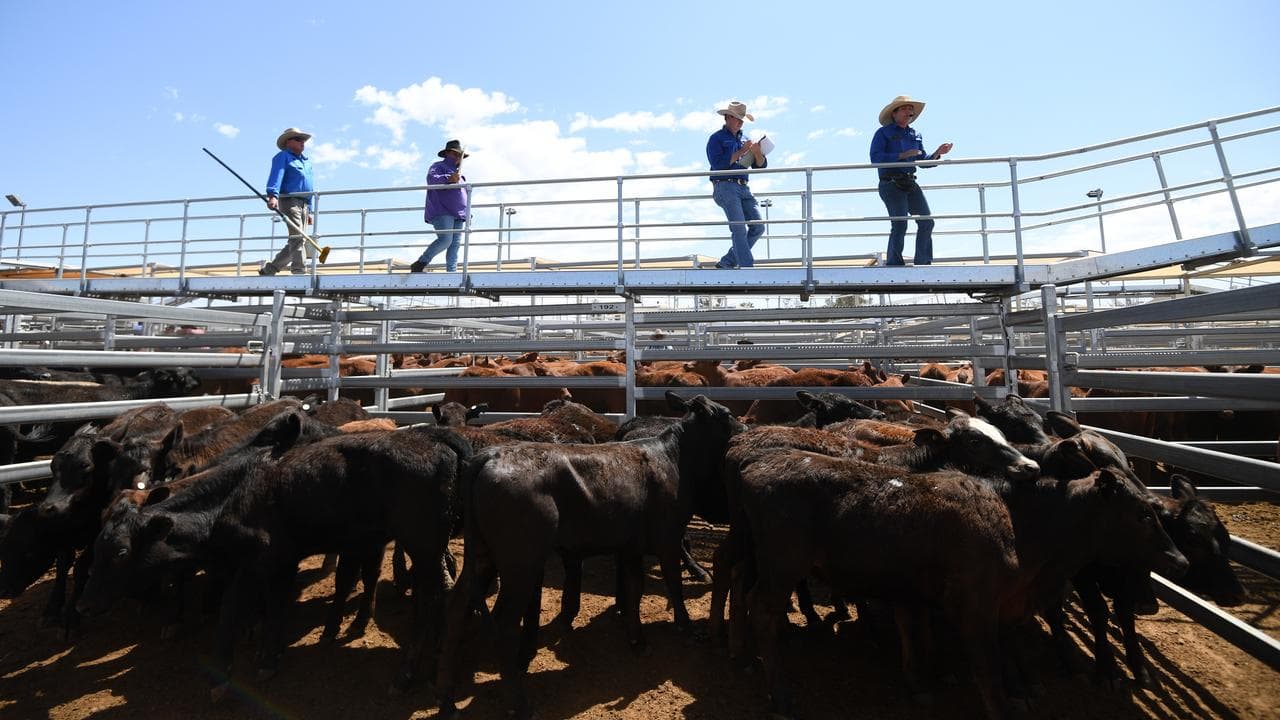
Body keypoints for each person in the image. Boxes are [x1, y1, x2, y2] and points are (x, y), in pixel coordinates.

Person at [869, 95, 953, 266]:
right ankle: (894, 263)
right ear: (894, 113)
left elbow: (923, 161)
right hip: (891, 183)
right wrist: (901, 156)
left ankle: (923, 262)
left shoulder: (915, 134)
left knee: (927, 222)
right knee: (900, 224)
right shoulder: (883, 133)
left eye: (911, 109)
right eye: (905, 108)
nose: (910, 111)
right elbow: (875, 158)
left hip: (910, 182)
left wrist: (937, 153)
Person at [706, 101, 767, 269]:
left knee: (758, 227)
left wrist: (756, 152)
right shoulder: (716, 138)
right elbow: (718, 164)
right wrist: (742, 151)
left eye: (742, 119)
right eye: (738, 118)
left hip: (743, 186)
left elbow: (760, 165)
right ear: (727, 118)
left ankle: (727, 262)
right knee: (739, 229)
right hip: (725, 186)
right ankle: (747, 268)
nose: (740, 122)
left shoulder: (746, 139)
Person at [261, 127, 316, 275]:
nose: (302, 142)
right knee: (298, 237)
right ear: (288, 142)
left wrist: (310, 208)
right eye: (298, 139)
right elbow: (276, 176)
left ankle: (270, 269)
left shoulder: (306, 162)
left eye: (303, 140)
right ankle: (299, 271)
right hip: (290, 201)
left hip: (304, 204)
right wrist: (273, 195)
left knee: (299, 239)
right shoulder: (283, 157)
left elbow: (309, 185)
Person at [411, 139, 470, 273]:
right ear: (447, 153)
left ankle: (452, 272)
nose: (458, 158)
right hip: (442, 211)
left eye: (460, 156)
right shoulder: (437, 166)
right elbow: (432, 180)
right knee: (446, 240)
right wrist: (448, 179)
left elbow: (464, 195)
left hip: (458, 213)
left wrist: (467, 211)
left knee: (454, 244)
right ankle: (421, 262)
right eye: (455, 154)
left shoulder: (461, 176)